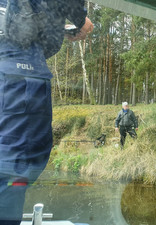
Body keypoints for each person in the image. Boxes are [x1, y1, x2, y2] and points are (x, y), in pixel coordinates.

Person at [0, 1, 93, 224]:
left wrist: (49, 26)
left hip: (13, 59)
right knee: (18, 161)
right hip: (19, 62)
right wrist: (81, 21)